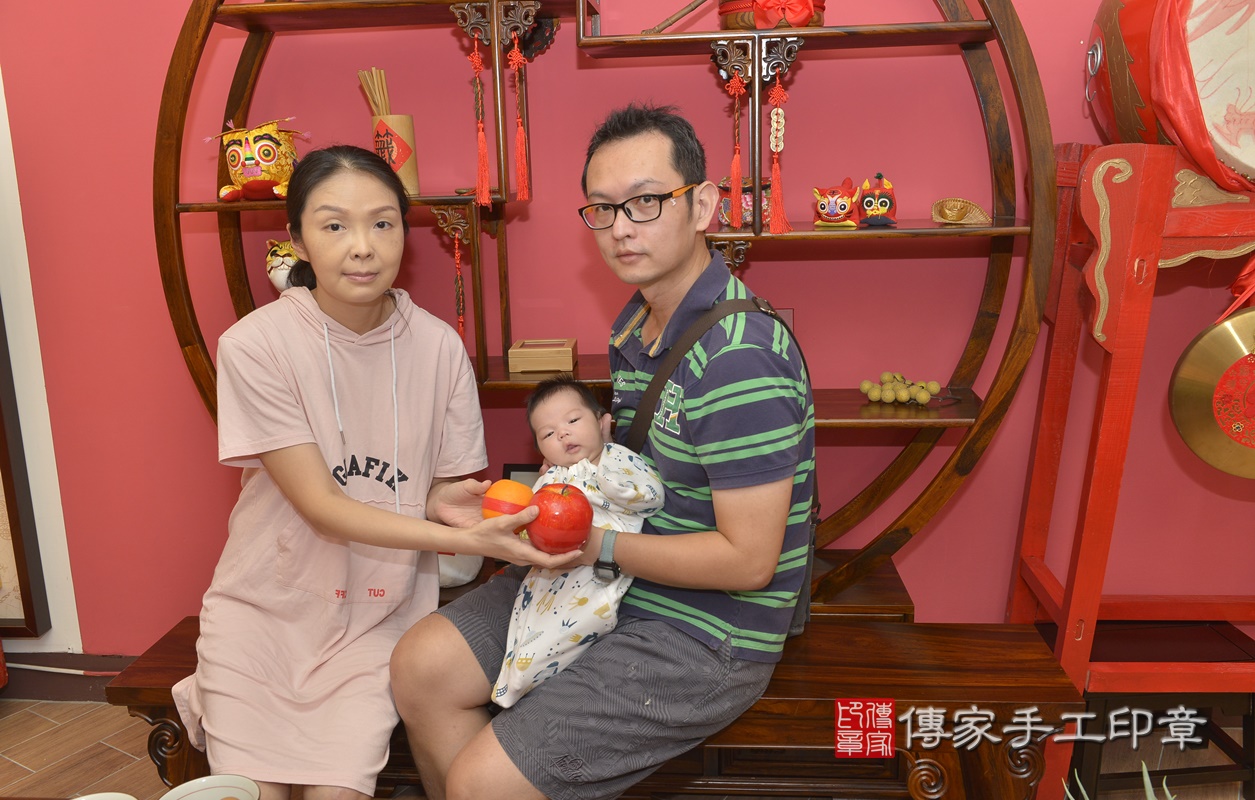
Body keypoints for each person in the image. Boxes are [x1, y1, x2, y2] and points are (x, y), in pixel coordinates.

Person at [390, 103, 816, 800]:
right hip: (616, 577)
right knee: (419, 667)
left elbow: (748, 561)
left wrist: (594, 545)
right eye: (603, 208)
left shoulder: (739, 358)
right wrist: (536, 504)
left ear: (703, 205)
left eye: (646, 202)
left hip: (708, 630)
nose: (621, 227)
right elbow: (630, 474)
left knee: (480, 783)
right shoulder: (636, 324)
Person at [171, 145, 571, 800]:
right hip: (263, 617)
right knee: (252, 792)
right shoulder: (255, 346)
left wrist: (452, 505)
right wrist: (459, 538)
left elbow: (429, 487)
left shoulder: (438, 347)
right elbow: (321, 505)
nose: (362, 247)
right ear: (297, 240)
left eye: (382, 223)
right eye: (334, 225)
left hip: (376, 616)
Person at [492, 375, 663, 708]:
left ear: (602, 423)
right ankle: (512, 677)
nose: (562, 433)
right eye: (548, 434)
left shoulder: (617, 459)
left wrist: (608, 482)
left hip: (597, 570)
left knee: (577, 624)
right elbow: (530, 523)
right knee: (528, 617)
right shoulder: (552, 478)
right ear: (540, 448)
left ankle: (522, 685)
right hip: (550, 571)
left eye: (572, 420)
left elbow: (652, 495)